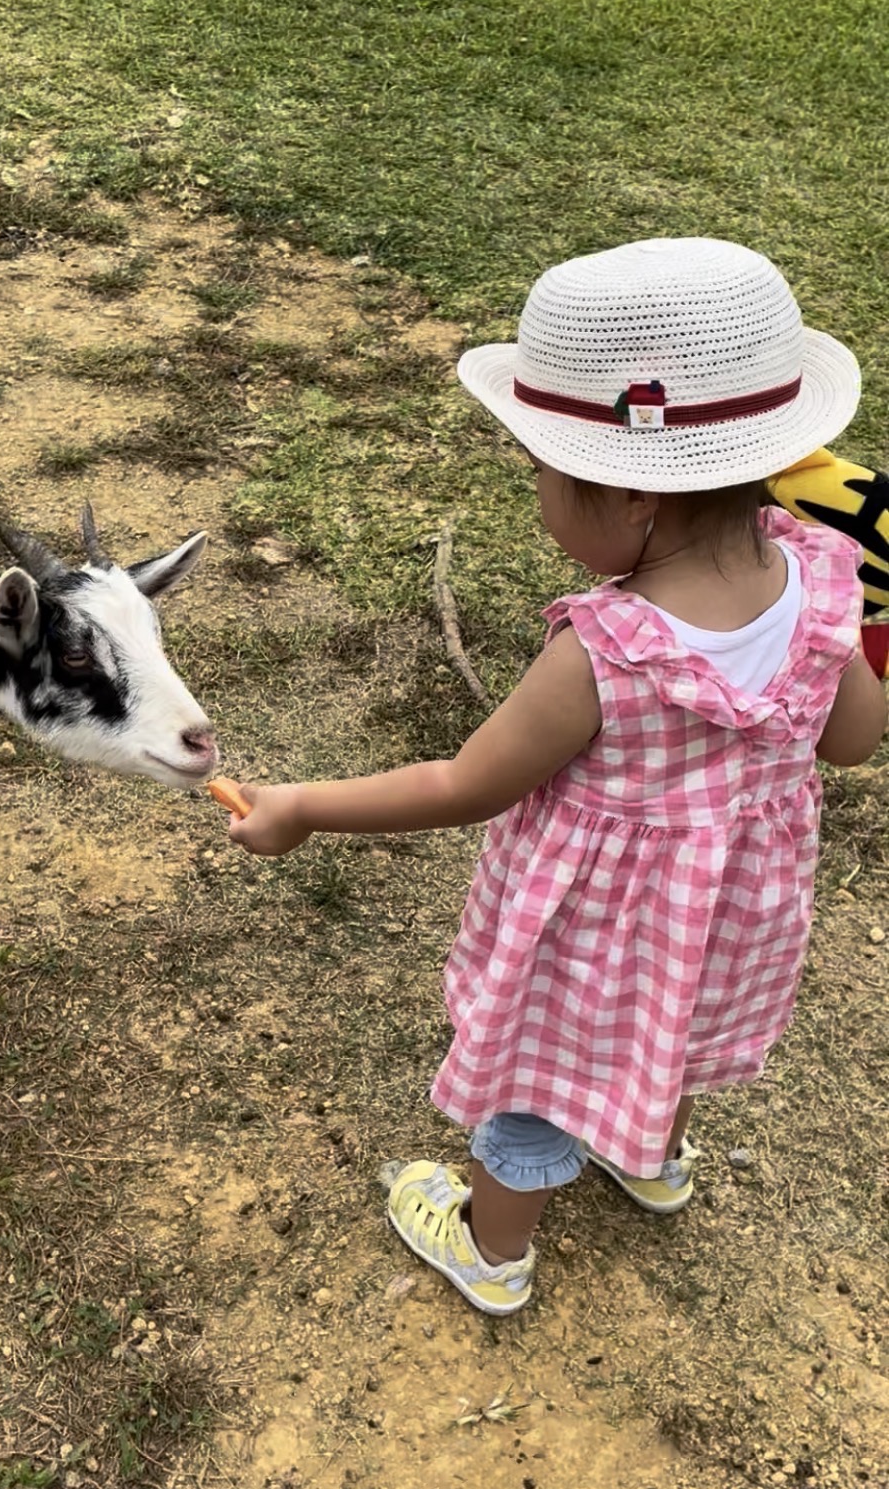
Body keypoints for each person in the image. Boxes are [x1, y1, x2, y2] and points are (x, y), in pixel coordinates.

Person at [225, 238, 887, 1315]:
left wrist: (304, 807)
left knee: (537, 1078)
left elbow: (462, 784)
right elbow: (852, 741)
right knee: (674, 1020)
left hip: (591, 933)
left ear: (634, 499)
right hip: (728, 916)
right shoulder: (822, 580)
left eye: (540, 471)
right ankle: (653, 1158)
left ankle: (492, 1250)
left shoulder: (602, 650)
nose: (534, 489)